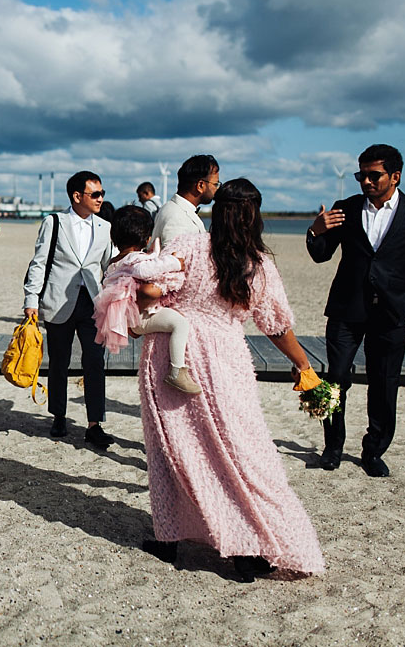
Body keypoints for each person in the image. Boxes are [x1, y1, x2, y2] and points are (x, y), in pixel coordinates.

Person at [137, 178, 325, 581]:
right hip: (226, 358)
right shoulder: (257, 263)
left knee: (173, 450)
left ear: (216, 210)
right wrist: (304, 364)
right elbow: (276, 325)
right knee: (243, 453)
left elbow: (150, 291)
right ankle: (247, 548)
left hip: (174, 354)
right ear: (254, 216)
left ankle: (171, 539)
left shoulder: (189, 246)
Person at [306, 144, 405, 477]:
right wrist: (315, 231)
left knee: (384, 383)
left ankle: (374, 450)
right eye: (360, 174)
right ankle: (332, 447)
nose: (365, 181)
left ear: (395, 176)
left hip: (392, 312)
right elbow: (321, 254)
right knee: (332, 380)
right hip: (347, 308)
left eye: (373, 175)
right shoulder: (345, 208)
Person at [22, 171, 115, 445]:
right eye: (95, 194)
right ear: (77, 196)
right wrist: (31, 301)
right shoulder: (54, 222)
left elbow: (110, 265)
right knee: (59, 362)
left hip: (93, 303)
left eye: (102, 193)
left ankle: (94, 424)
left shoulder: (104, 227)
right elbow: (39, 263)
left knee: (95, 362)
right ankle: (59, 416)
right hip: (58, 302)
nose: (101, 198)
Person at [92, 206, 200, 393]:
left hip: (127, 315)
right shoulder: (135, 260)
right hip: (138, 315)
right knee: (180, 324)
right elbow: (144, 270)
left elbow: (145, 264)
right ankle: (177, 370)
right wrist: (175, 263)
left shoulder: (115, 261)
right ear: (147, 238)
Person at [151, 155, 218, 247]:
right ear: (200, 185)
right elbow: (174, 258)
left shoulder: (176, 209)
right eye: (215, 184)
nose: (217, 189)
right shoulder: (177, 217)